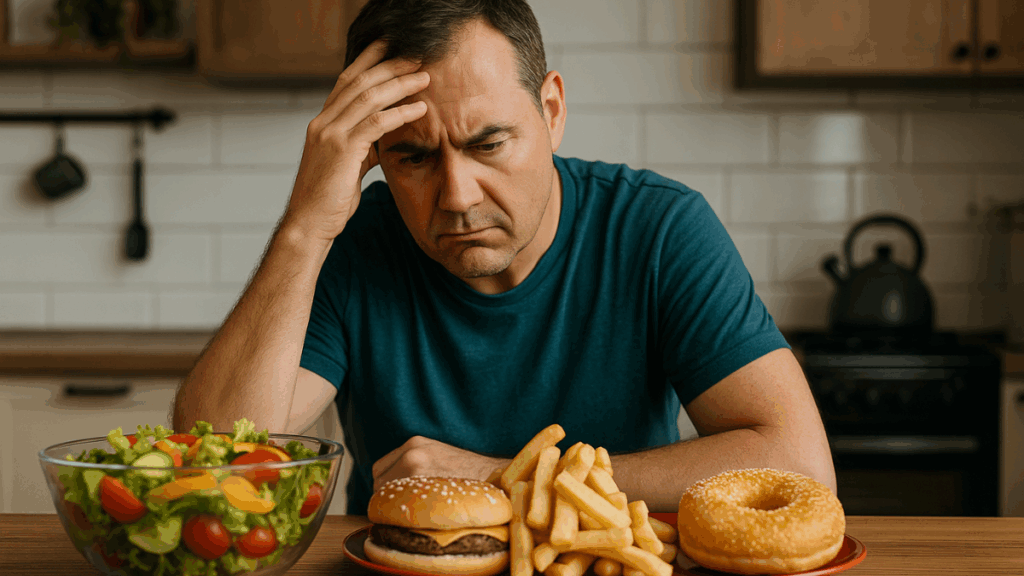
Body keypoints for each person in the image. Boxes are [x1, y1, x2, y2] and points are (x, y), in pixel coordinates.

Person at [173, 0, 835, 514]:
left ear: (551, 110)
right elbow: (218, 461)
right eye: (412, 157)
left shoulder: (659, 228)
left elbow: (800, 466)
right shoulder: (354, 242)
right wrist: (305, 226)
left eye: (488, 144)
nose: (456, 197)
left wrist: (503, 478)